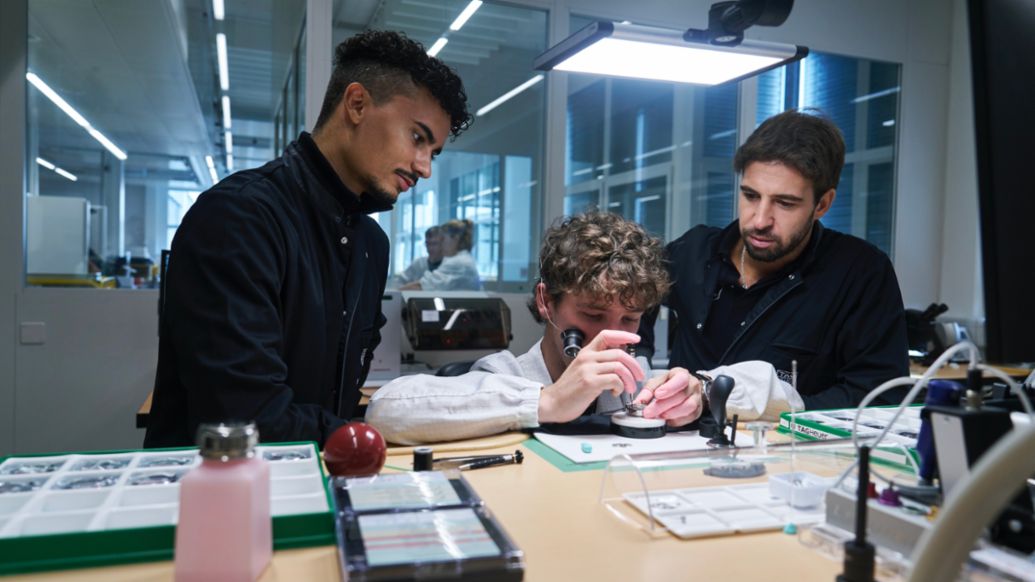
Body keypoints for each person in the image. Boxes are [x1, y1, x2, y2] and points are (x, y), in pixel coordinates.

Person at [144, 30, 472, 448]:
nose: (425, 167)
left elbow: (339, 392)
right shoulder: (238, 218)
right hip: (215, 493)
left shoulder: (370, 245)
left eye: (434, 151)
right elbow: (243, 415)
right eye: (417, 137)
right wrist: (362, 439)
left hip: (312, 481)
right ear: (356, 104)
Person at [639, 109, 909, 411]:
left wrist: (776, 405)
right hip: (674, 448)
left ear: (822, 203)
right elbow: (631, 297)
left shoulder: (860, 273)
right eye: (751, 196)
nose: (760, 220)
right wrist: (637, 362)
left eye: (784, 203)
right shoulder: (695, 249)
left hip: (785, 453)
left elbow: (880, 399)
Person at [367, 212, 702, 445]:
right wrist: (547, 401)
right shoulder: (503, 373)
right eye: (592, 314)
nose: (610, 341)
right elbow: (384, 409)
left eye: (629, 319)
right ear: (546, 301)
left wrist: (696, 395)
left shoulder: (639, 378)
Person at [399, 218, 481, 290]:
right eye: (428, 244)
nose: (441, 245)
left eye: (443, 240)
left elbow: (424, 286)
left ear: (455, 239)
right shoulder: (461, 259)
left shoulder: (458, 262)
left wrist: (395, 293)